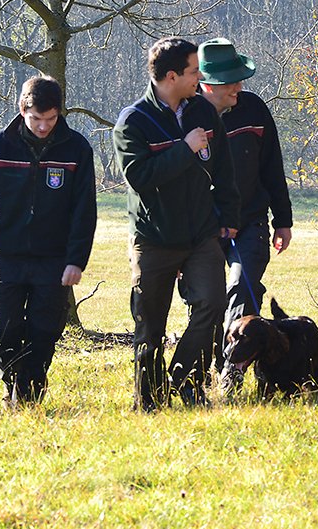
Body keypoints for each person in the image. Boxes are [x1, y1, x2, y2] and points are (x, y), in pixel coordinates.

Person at [0, 76, 97, 405]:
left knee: (44, 332)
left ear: (59, 113)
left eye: (51, 119)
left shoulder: (76, 149)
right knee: (5, 330)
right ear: (22, 110)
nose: (44, 127)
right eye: (36, 119)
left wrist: (76, 260)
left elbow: (84, 211)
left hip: (54, 259)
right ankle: (13, 386)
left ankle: (30, 392)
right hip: (8, 257)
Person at [113, 38, 240, 410]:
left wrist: (229, 217)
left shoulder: (203, 110)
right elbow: (140, 177)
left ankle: (185, 380)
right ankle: (149, 400)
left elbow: (224, 168)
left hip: (202, 233)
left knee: (213, 304)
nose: (200, 78)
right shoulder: (133, 121)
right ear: (171, 77)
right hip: (154, 238)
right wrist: (183, 149)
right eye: (193, 72)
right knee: (149, 324)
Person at [197, 38, 293, 392]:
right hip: (202, 228)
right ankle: (200, 368)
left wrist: (282, 219)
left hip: (250, 221)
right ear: (207, 84)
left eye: (240, 78)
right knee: (207, 299)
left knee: (243, 288)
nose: (239, 86)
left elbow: (272, 166)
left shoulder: (254, 109)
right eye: (231, 81)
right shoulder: (186, 116)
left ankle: (231, 371)